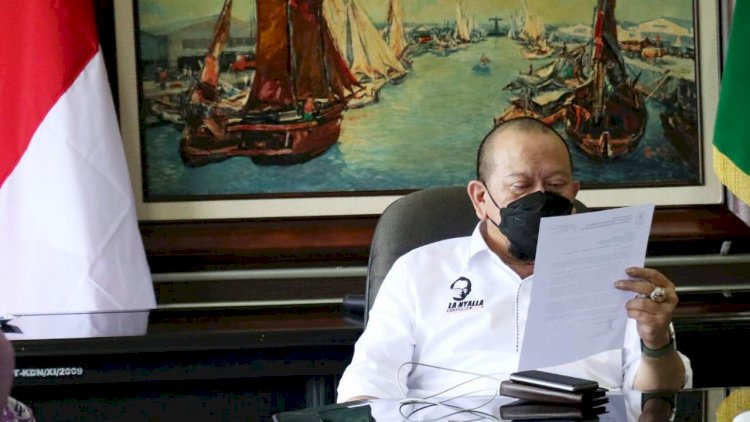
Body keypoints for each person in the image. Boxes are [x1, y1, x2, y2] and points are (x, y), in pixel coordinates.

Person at [336, 117, 691, 402]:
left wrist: (657, 341)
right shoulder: (419, 271)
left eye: (555, 185)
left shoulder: (619, 274)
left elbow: (659, 396)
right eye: (521, 186)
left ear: (574, 192)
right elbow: (368, 383)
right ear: (480, 198)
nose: (540, 198)